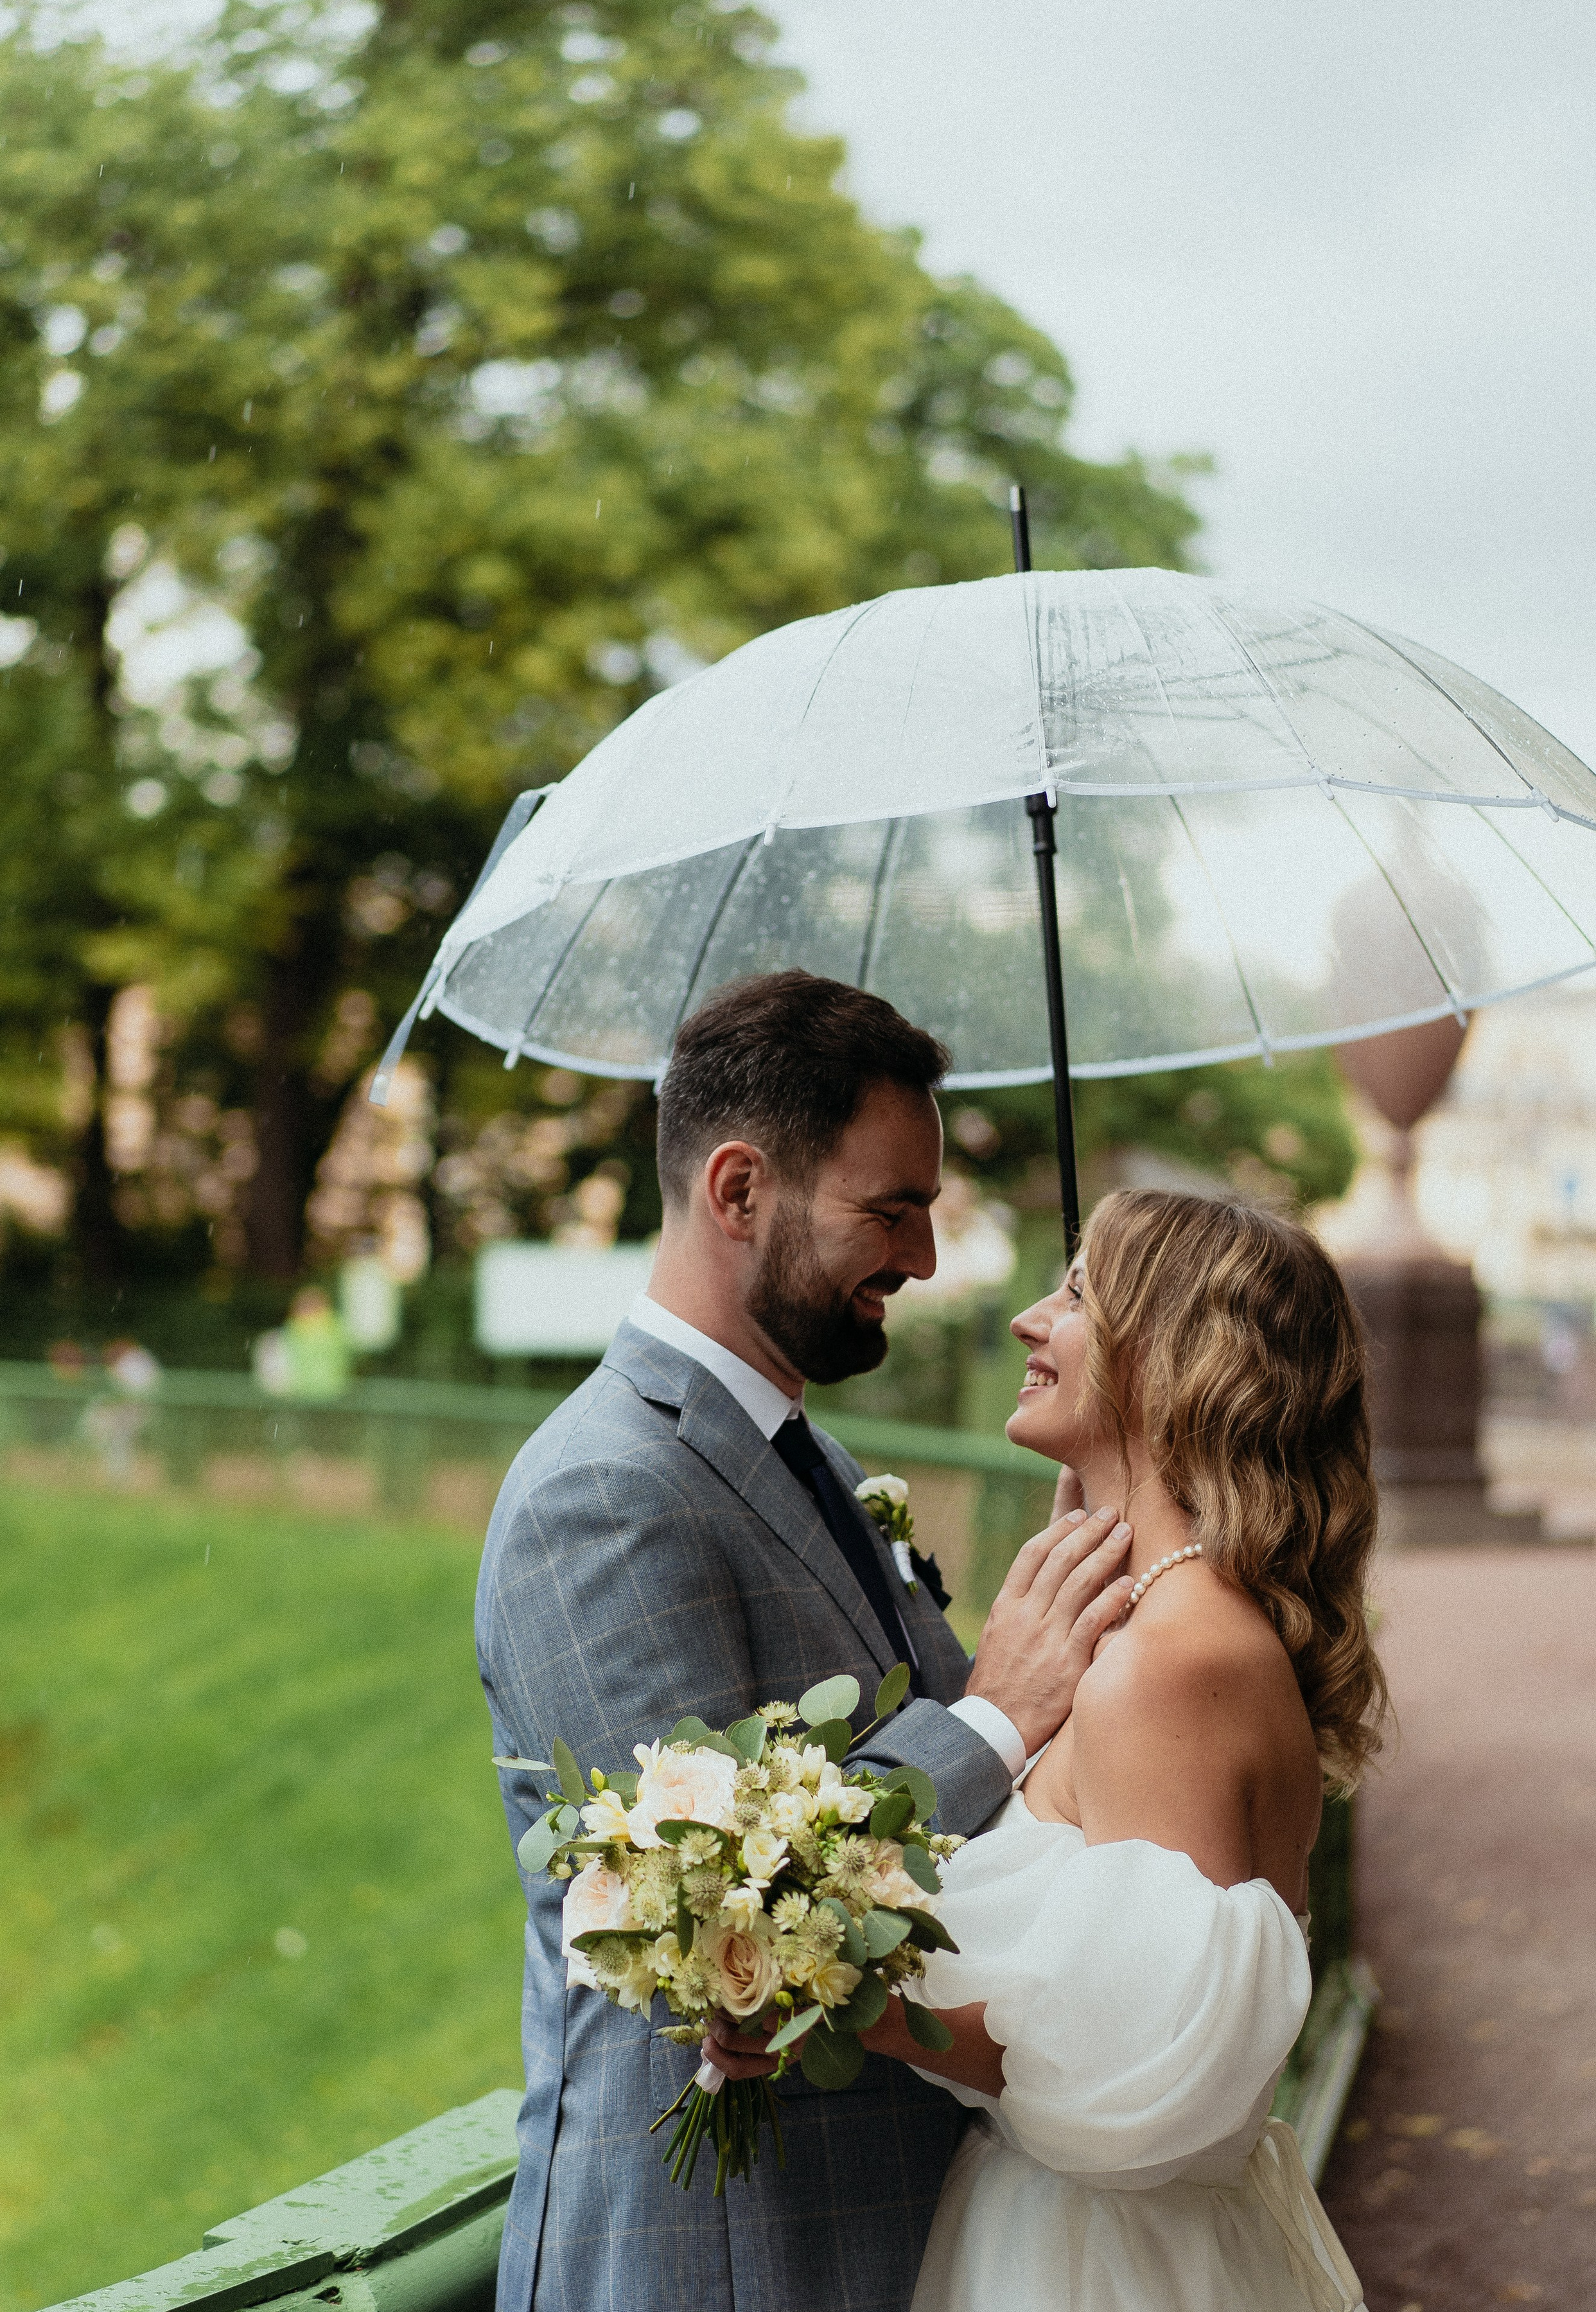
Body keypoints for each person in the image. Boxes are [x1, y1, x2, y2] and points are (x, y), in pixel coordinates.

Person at [476, 972, 1134, 2312]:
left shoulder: (810, 1457)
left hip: (884, 2234)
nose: (923, 1258)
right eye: (888, 1209)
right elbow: (722, 1921)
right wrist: (995, 1714)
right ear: (737, 1191)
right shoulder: (593, 1495)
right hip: (726, 2255)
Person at [850, 1188, 1384, 2311]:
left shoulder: (1168, 1665)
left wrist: (814, 1990)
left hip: (1096, 2263)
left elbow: (1128, 2074)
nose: (1028, 1320)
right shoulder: (1148, 1632)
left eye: (1081, 1291)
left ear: (1176, 1357)